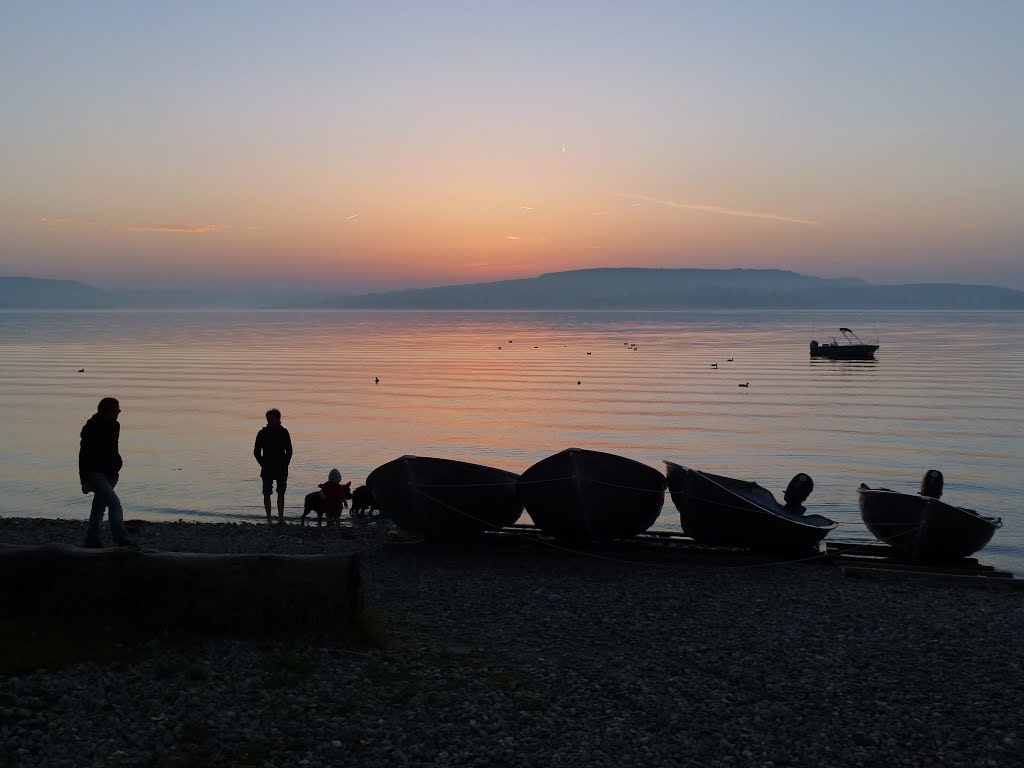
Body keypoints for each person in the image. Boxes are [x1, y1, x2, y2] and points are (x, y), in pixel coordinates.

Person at [79, 397, 135, 547]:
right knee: (114, 503)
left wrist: (117, 465)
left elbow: (114, 448)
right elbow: (83, 455)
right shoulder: (91, 427)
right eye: (116, 410)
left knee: (99, 506)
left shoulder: (115, 426)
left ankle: (92, 539)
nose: (118, 413)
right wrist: (84, 480)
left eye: (119, 411)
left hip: (111, 473)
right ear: (107, 411)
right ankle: (122, 539)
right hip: (96, 473)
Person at [254, 408, 293, 524]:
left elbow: (289, 451)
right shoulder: (262, 433)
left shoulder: (284, 432)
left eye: (272, 418)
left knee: (281, 492)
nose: (269, 421)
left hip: (281, 467)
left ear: (278, 419)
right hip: (267, 467)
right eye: (268, 419)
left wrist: (285, 463)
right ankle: (269, 518)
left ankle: (281, 518)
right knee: (267, 493)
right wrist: (262, 464)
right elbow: (256, 452)